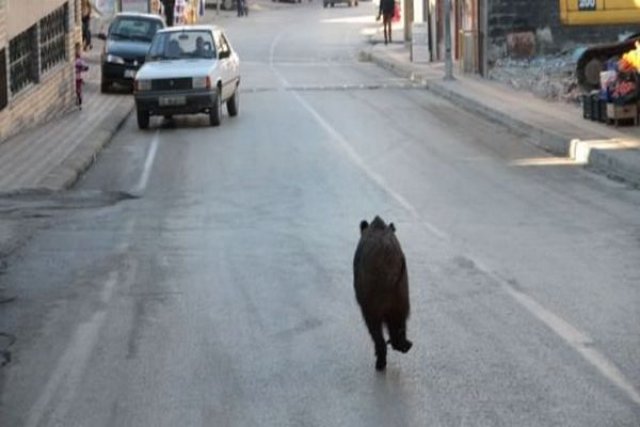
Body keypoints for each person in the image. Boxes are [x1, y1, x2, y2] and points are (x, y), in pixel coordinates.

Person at [75, 43, 89, 109]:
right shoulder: (75, 59)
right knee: (77, 88)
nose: (78, 51)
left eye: (79, 50)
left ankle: (79, 100)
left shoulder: (80, 59)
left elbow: (85, 66)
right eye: (77, 50)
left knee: (79, 89)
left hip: (79, 77)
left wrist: (84, 68)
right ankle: (78, 99)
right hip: (75, 77)